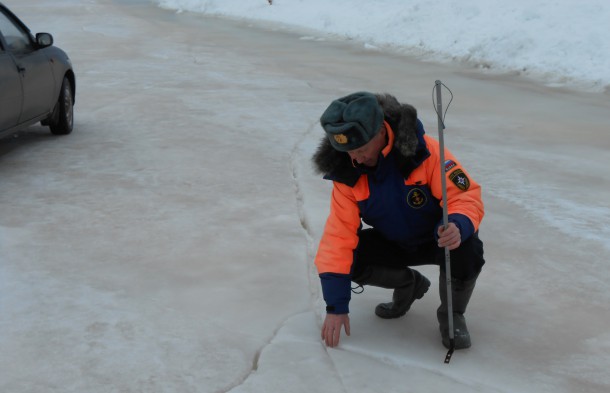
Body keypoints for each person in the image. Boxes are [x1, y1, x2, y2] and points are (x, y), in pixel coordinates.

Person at [312, 91, 485, 350]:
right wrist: (336, 306)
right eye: (348, 151)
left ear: (381, 132)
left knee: (467, 248)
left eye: (361, 149)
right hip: (393, 241)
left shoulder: (426, 152)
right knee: (351, 258)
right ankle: (409, 284)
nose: (355, 158)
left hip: (439, 238)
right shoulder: (347, 173)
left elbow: (464, 195)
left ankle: (452, 315)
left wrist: (458, 225)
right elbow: (338, 237)